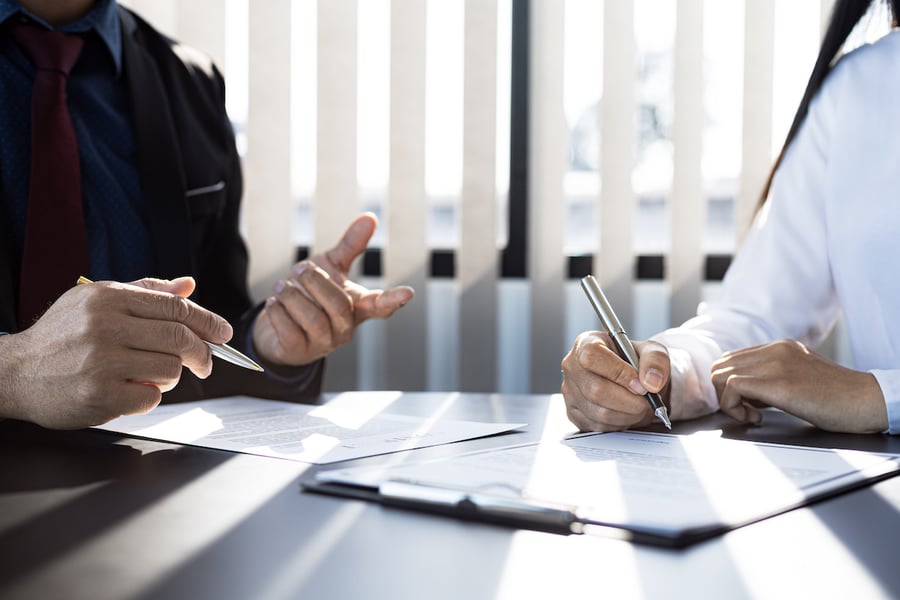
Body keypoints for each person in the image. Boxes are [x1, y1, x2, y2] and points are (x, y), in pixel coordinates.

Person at [0, 0, 414, 430]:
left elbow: (213, 319)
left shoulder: (192, 80)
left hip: (147, 473)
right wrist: (14, 372)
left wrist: (268, 344)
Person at [562, 0, 900, 436]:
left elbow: (868, 396)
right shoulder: (856, 87)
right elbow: (755, 319)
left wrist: (877, 397)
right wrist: (661, 376)